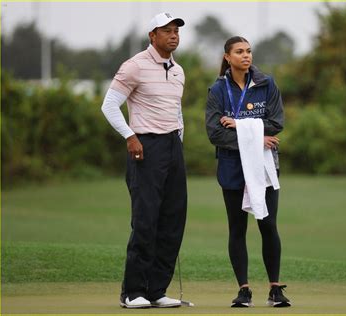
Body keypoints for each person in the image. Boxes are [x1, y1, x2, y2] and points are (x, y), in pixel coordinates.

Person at [101, 12, 187, 309]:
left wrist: (179, 142)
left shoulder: (178, 70)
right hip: (145, 146)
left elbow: (176, 112)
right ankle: (133, 291)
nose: (174, 35)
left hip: (172, 146)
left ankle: (156, 290)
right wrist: (130, 136)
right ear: (153, 35)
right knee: (146, 220)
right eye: (167, 30)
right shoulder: (134, 66)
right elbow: (109, 105)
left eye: (176, 30)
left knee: (173, 219)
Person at [205, 36, 291, 308]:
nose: (246, 56)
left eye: (249, 51)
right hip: (232, 165)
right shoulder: (218, 90)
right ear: (227, 57)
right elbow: (214, 132)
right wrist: (255, 137)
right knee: (237, 228)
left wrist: (240, 126)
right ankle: (244, 290)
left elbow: (276, 123)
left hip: (264, 164)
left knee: (268, 225)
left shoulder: (267, 83)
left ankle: (275, 289)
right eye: (239, 52)